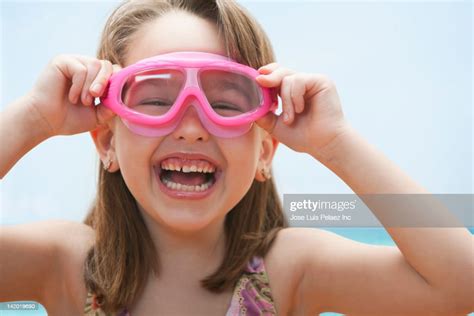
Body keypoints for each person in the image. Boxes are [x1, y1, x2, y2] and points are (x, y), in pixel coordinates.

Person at [0, 0, 472, 315]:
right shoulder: (66, 263)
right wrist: (33, 118)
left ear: (265, 151)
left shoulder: (288, 268)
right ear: (107, 143)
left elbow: (460, 280)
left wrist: (335, 143)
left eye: (225, 104)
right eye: (156, 101)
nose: (190, 126)